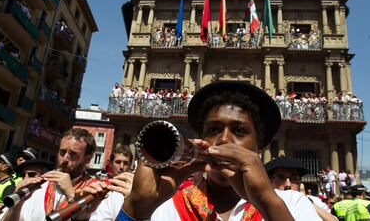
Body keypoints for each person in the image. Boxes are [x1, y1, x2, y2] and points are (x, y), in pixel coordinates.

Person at [115, 80, 323, 220]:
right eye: (213, 129)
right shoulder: (164, 205)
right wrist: (136, 208)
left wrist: (267, 202)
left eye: (239, 131)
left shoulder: (292, 203)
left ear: (259, 146)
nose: (223, 139)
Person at [4, 128, 97, 220]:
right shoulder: (40, 186)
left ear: (87, 159)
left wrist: (70, 195)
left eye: (73, 154)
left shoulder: (96, 191)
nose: (64, 159)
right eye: (62, 152)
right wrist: (16, 204)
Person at [265, 156, 336, 221]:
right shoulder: (260, 204)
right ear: (271, 181)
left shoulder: (315, 201)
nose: (288, 184)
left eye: (293, 178)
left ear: (300, 182)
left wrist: (308, 201)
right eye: (281, 178)